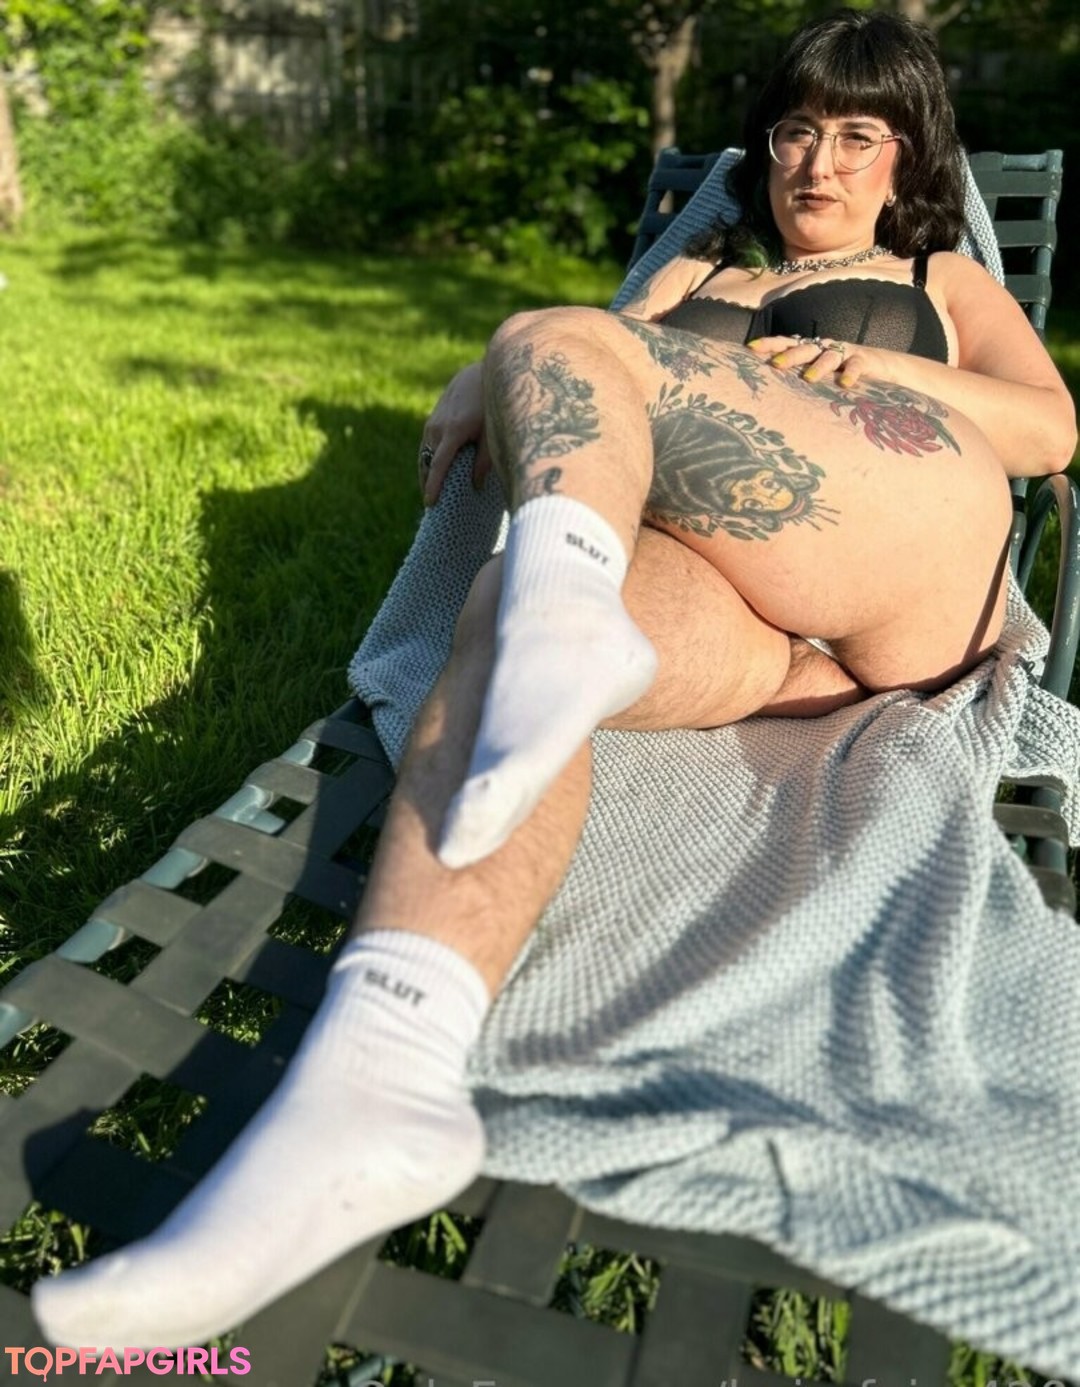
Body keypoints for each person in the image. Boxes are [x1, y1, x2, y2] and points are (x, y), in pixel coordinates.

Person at [33, 7, 1075, 1352]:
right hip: (754, 636)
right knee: (503, 598)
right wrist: (516, 372)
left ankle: (561, 609)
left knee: (551, 339)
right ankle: (375, 1084)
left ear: (908, 156)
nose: (815, 163)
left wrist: (876, 369)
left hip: (899, 572)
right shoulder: (701, 270)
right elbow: (587, 371)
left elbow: (1051, 429)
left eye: (856, 135)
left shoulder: (940, 277)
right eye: (793, 131)